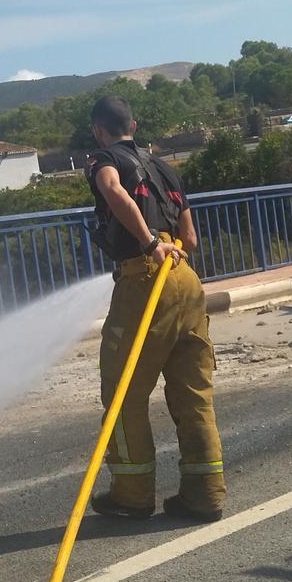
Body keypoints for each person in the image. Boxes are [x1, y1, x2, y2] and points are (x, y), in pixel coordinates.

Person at [84, 95, 226, 523]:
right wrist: (165, 243)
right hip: (185, 280)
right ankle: (204, 495)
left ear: (99, 130)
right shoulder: (164, 167)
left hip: (144, 278)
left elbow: (111, 189)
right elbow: (192, 238)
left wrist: (147, 244)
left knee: (124, 393)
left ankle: (131, 495)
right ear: (134, 123)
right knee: (193, 392)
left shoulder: (103, 159)